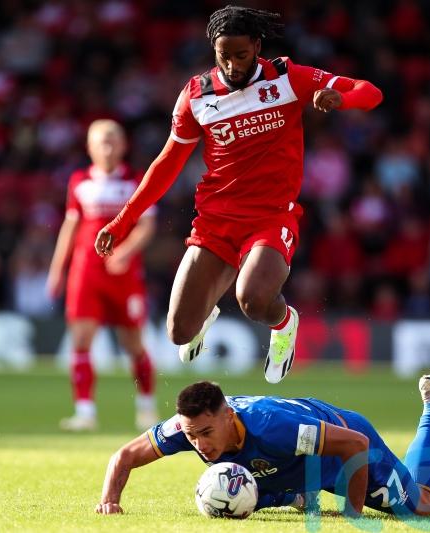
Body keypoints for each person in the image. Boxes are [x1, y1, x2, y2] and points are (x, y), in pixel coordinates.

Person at [94, 6, 383, 383]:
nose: (232, 65)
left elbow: (371, 92)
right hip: (215, 221)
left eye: (241, 55)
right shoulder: (197, 96)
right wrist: (123, 221)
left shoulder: (287, 77)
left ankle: (283, 325)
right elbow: (166, 165)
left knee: (253, 300)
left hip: (271, 216)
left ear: (257, 46)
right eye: (223, 56)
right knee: (178, 332)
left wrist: (340, 100)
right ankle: (207, 310)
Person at [94, 374, 430, 517]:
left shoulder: (274, 428)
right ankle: (296, 493)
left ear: (228, 416)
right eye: (191, 435)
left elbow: (356, 444)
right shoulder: (189, 425)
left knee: (421, 506)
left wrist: (353, 516)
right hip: (289, 463)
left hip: (338, 446)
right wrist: (110, 499)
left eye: (205, 434)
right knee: (241, 492)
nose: (199, 445)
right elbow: (125, 456)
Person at [48, 119, 158, 432]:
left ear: (123, 146)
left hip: (124, 274)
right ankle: (84, 412)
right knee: (81, 341)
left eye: (113, 142)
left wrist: (125, 251)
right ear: (90, 148)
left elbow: (147, 225)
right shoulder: (79, 180)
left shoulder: (137, 180)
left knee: (133, 344)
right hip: (87, 272)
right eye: (101, 142)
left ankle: (146, 408)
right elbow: (70, 227)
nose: (107, 148)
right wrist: (58, 269)